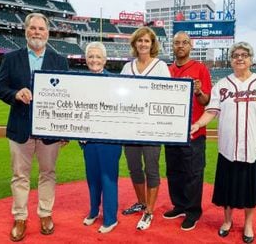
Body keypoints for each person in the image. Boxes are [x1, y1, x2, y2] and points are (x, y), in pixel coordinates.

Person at [190, 41, 256, 243]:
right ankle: (227, 221)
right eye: (236, 55)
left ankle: (248, 224)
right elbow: (211, 111)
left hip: (253, 146)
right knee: (227, 189)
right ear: (231, 60)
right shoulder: (222, 85)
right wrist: (197, 124)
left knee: (250, 190)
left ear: (250, 59)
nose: (240, 58)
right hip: (228, 147)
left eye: (244, 55)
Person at [0, 12, 69, 242]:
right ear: (26, 31)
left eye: (41, 29)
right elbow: (0, 88)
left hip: (49, 129)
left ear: (48, 33)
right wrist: (16, 94)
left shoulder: (59, 60)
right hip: (20, 127)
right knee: (20, 175)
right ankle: (20, 217)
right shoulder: (11, 58)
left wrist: (64, 129)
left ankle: (45, 213)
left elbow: (67, 96)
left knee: (48, 173)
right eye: (33, 28)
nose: (37, 32)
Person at [120, 26, 170, 230]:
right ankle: (141, 202)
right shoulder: (127, 67)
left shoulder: (160, 66)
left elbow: (168, 95)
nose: (143, 44)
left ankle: (149, 210)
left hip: (152, 126)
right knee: (133, 167)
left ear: (152, 44)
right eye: (139, 40)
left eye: (147, 41)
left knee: (151, 168)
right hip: (130, 126)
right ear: (134, 43)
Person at [163, 31, 212, 231]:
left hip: (193, 131)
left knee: (193, 173)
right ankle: (179, 205)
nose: (180, 46)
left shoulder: (200, 68)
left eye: (184, 43)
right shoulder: (166, 70)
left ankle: (193, 211)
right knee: (174, 171)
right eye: (177, 43)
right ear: (172, 46)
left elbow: (206, 101)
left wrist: (199, 91)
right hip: (171, 131)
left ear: (191, 46)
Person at [80, 42, 122, 233]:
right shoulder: (78, 81)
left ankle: (111, 218)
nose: (94, 60)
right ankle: (93, 211)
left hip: (109, 140)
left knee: (108, 178)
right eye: (91, 56)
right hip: (88, 140)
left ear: (105, 60)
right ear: (86, 59)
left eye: (98, 57)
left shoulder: (115, 82)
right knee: (92, 177)